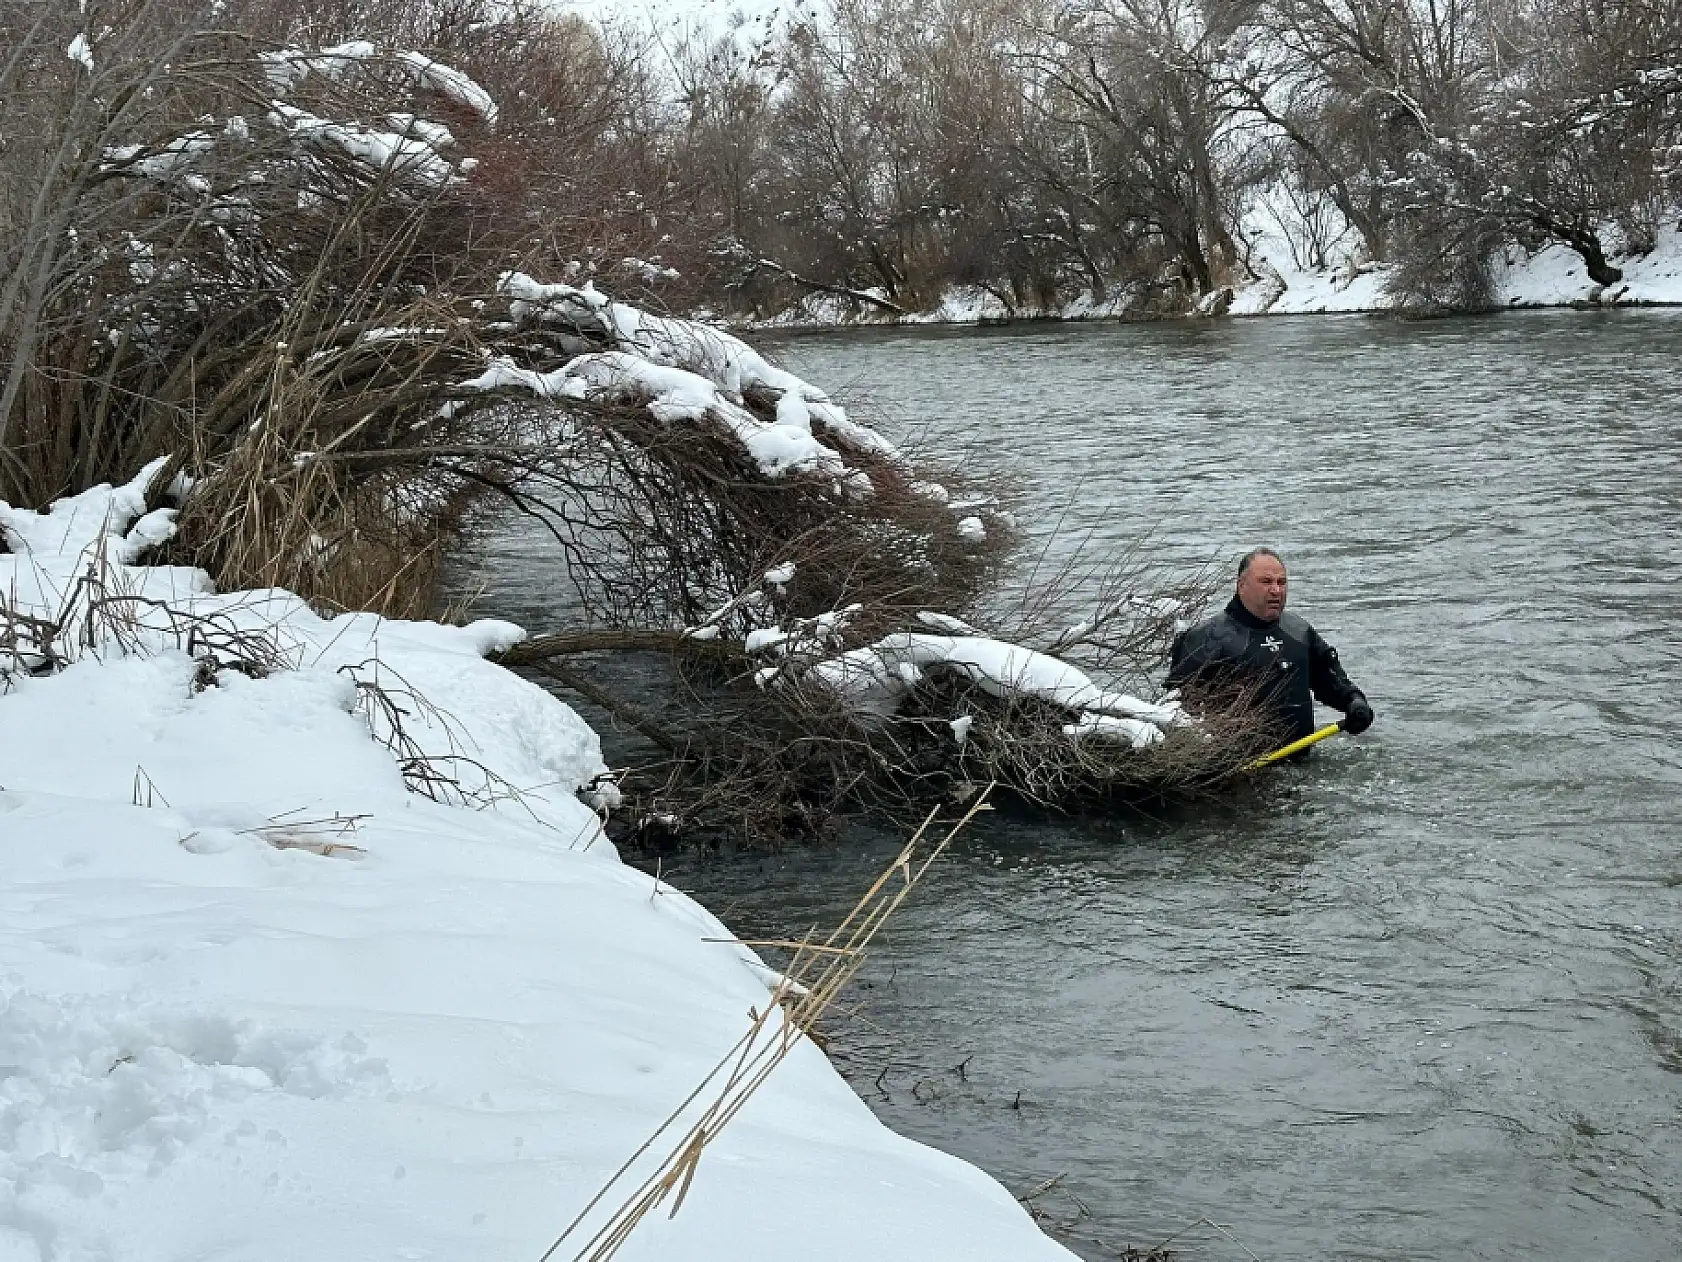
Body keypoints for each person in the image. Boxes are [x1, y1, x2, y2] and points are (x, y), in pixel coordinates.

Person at [1167, 547, 1373, 745]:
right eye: (1266, 582)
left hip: (1301, 763)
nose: (1276, 590)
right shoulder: (1207, 637)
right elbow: (1175, 710)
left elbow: (1329, 679)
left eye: (1281, 582)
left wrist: (1353, 701)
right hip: (1240, 767)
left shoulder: (1299, 631)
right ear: (1241, 585)